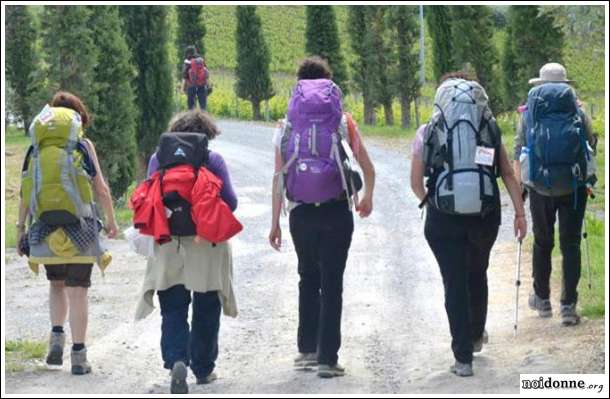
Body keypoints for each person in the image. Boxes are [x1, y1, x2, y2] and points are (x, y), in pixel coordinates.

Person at [410, 72, 527, 377]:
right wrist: (519, 213)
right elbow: (508, 174)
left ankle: (462, 358)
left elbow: (415, 182)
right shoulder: (488, 128)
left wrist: (431, 202)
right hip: (484, 217)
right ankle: (475, 335)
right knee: (477, 272)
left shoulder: (428, 130)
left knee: (453, 281)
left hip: (443, 217)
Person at [268, 56, 376, 379]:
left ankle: (306, 350)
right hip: (336, 211)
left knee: (307, 277)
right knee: (332, 282)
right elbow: (368, 168)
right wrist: (367, 195)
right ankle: (328, 360)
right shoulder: (343, 121)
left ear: (298, 87)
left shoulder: (286, 125)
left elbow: (277, 179)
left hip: (300, 213)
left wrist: (275, 223)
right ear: (329, 85)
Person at [135, 110, 239, 394]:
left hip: (168, 241)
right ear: (207, 135)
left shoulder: (159, 159)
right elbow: (231, 201)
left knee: (173, 306)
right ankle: (203, 368)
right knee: (207, 305)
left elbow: (149, 199)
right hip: (206, 242)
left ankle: (177, 359)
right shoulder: (212, 159)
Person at [16, 91, 119, 375]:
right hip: (80, 227)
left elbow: (25, 191)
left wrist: (20, 228)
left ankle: (56, 339)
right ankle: (78, 356)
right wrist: (111, 221)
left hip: (45, 227)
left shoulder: (36, 147)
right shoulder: (82, 144)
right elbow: (100, 188)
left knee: (56, 285)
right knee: (78, 291)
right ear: (77, 118)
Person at [513, 63, 597, 326]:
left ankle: (542, 299)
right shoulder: (578, 110)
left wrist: (521, 187)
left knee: (543, 242)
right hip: (573, 186)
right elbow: (591, 143)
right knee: (570, 244)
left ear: (539, 84)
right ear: (565, 85)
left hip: (540, 186)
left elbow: (519, 149)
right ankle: (569, 307)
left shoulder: (529, 113)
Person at [182, 45, 210, 111]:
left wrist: (182, 89)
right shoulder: (201, 60)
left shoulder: (187, 62)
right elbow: (206, 74)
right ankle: (203, 118)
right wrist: (208, 85)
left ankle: (192, 118)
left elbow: (184, 76)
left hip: (191, 86)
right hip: (202, 86)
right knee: (203, 107)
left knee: (191, 108)